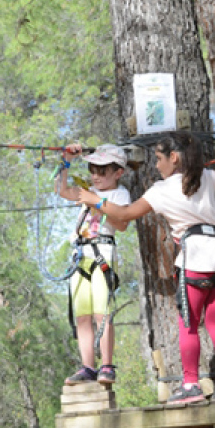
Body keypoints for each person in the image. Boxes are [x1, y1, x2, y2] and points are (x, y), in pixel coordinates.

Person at [75, 131, 215, 404]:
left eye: (158, 158)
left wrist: (95, 200)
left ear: (173, 158)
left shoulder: (161, 190)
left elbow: (125, 214)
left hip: (196, 257)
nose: (155, 165)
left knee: (188, 324)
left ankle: (190, 384)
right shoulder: (207, 177)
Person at [55, 143, 132, 386]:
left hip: (103, 253)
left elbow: (122, 223)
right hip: (81, 255)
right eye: (92, 171)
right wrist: (66, 161)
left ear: (118, 172)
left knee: (102, 313)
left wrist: (96, 202)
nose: (95, 176)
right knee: (82, 317)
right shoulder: (87, 191)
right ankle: (88, 366)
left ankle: (107, 365)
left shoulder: (119, 194)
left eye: (102, 171)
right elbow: (62, 190)